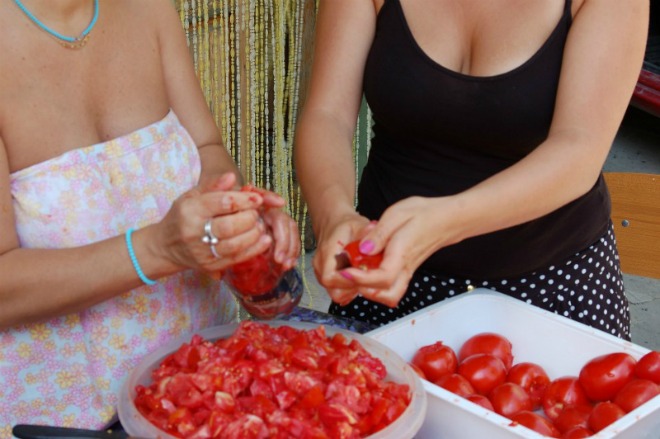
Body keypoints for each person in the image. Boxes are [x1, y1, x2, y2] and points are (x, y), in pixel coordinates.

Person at [0, 0, 300, 433]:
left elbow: (206, 151)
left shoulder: (148, 7)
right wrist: (159, 249)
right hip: (63, 420)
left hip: (204, 396)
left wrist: (235, 220)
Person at [294, 0, 648, 338]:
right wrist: (335, 216)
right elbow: (328, 116)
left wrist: (445, 221)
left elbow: (578, 151)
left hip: (549, 291)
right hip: (383, 283)